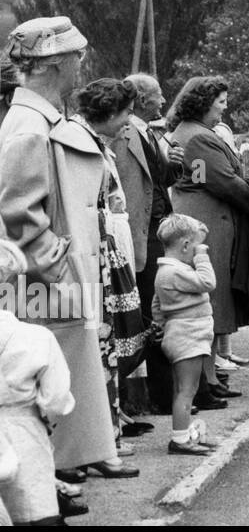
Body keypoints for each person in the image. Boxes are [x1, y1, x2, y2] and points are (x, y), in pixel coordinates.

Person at [0, 17, 118, 504]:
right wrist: (59, 268)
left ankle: (51, 483)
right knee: (44, 393)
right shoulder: (28, 126)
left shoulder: (34, 119)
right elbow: (16, 209)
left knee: (60, 389)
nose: (80, 67)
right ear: (51, 65)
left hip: (50, 283)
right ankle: (42, 490)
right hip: (44, 286)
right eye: (75, 58)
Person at [72, 79, 148, 475]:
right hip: (90, 253)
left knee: (113, 341)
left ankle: (108, 436)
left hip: (107, 248)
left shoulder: (98, 142)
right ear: (107, 111)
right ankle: (96, 443)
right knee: (99, 343)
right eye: (125, 113)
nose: (129, 121)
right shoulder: (79, 140)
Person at [168, 77, 248, 401]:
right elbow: (218, 181)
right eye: (221, 102)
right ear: (204, 103)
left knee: (212, 302)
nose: (225, 107)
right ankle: (204, 379)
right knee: (208, 301)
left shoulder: (195, 132)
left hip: (206, 219)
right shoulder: (198, 137)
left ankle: (211, 374)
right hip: (205, 222)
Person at [117, 73, 185, 416]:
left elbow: (160, 180)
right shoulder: (127, 132)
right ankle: (154, 394)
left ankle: (163, 391)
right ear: (142, 99)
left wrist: (173, 165)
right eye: (157, 96)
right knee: (152, 307)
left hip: (158, 226)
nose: (162, 101)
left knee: (160, 304)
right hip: (142, 231)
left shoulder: (151, 132)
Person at [0, 239, 77, 525]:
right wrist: (46, 415)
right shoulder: (35, 338)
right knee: (33, 507)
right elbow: (57, 398)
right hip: (24, 429)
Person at [151, 214, 220, 456]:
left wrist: (160, 326)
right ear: (185, 246)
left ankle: (187, 433)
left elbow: (156, 305)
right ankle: (180, 440)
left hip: (181, 335)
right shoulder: (175, 272)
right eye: (195, 247)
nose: (196, 253)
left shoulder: (166, 271)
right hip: (187, 337)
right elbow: (208, 282)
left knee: (183, 389)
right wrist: (202, 256)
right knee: (186, 390)